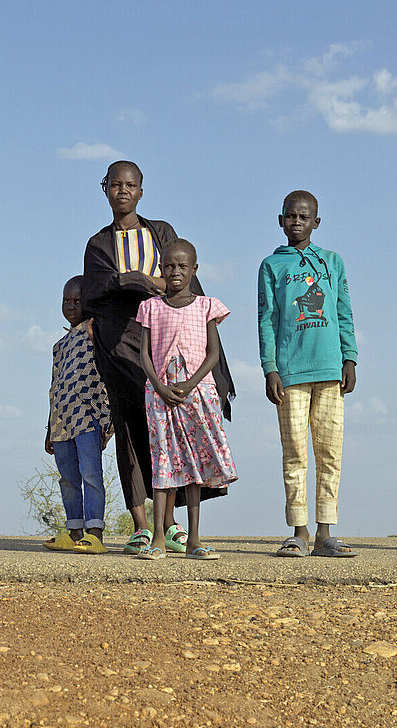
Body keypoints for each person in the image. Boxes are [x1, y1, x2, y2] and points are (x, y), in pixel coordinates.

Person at [82, 160, 235, 555]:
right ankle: (141, 526)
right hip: (118, 349)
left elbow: (191, 293)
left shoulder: (161, 232)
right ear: (105, 190)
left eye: (130, 185)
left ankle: (170, 524)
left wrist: (219, 370)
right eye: (114, 185)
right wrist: (137, 280)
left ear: (141, 191)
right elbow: (95, 292)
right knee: (131, 431)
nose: (122, 192)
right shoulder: (98, 244)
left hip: (165, 349)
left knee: (171, 433)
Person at [258, 190, 358, 558]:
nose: (296, 222)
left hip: (331, 369)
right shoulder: (272, 266)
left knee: (329, 452)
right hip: (290, 373)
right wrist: (270, 368)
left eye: (304, 217)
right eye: (290, 216)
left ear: (316, 222)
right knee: (295, 452)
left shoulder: (332, 263)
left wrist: (351, 358)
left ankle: (325, 533)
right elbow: (266, 321)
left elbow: (344, 312)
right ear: (281, 220)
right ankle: (298, 531)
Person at [136, 240, 237, 560]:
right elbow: (144, 355)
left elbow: (213, 354)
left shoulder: (207, 305)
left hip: (198, 394)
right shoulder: (150, 307)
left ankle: (194, 539)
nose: (175, 272)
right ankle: (158, 542)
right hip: (161, 396)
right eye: (168, 266)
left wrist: (191, 384)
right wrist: (161, 388)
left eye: (182, 266)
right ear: (161, 270)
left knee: (193, 466)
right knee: (163, 465)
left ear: (195, 269)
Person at [43, 276, 112, 554]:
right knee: (67, 477)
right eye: (66, 301)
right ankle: (74, 531)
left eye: (77, 301)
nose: (71, 306)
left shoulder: (98, 333)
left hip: (88, 416)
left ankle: (95, 533)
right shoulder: (59, 346)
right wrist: (48, 427)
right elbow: (54, 385)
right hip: (61, 420)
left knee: (91, 474)